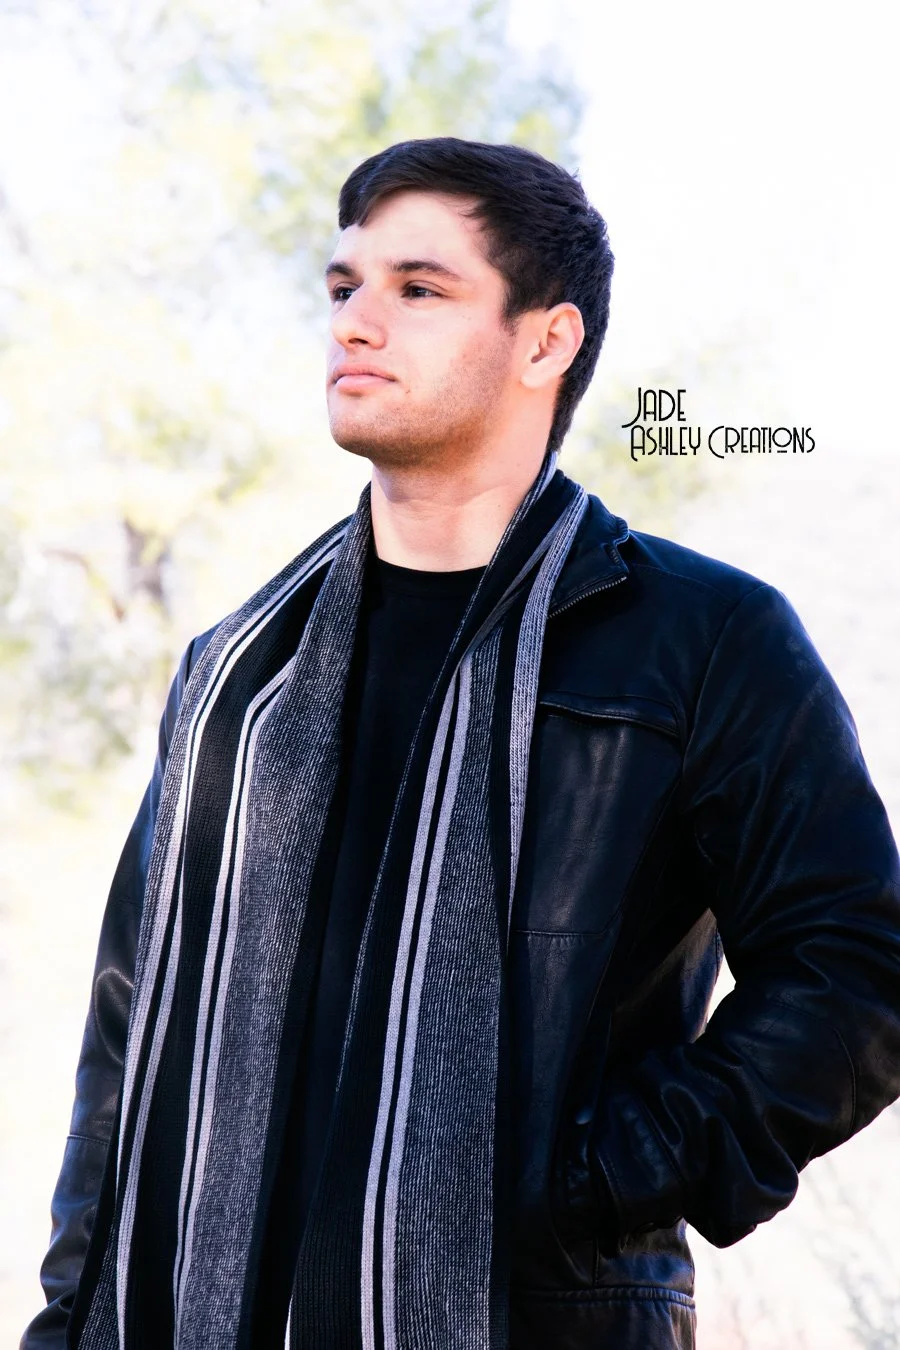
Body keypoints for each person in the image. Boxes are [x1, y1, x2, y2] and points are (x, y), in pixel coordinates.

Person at [21, 137, 900, 1350]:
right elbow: (126, 1031)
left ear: (547, 342)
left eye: (419, 288)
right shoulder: (239, 672)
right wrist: (68, 1316)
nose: (356, 321)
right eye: (344, 286)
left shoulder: (699, 642)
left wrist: (594, 1183)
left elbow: (857, 968)